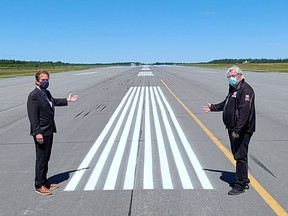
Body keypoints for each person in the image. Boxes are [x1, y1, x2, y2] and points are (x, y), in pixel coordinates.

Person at [203, 65, 255, 195]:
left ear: (240, 75)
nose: (230, 79)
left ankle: (240, 185)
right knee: (239, 155)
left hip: (241, 130)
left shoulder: (246, 90)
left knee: (240, 156)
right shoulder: (234, 88)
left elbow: (245, 112)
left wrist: (237, 130)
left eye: (232, 76)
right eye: (228, 77)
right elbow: (227, 103)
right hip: (234, 128)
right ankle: (243, 179)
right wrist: (213, 107)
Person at [27, 70, 77, 195]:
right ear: (37, 81)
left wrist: (67, 100)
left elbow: (53, 102)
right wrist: (37, 132)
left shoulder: (46, 93)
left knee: (46, 157)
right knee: (41, 158)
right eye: (43, 79)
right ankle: (39, 185)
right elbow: (33, 116)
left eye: (47, 79)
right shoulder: (33, 95)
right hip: (41, 132)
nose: (45, 81)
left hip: (49, 130)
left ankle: (45, 181)